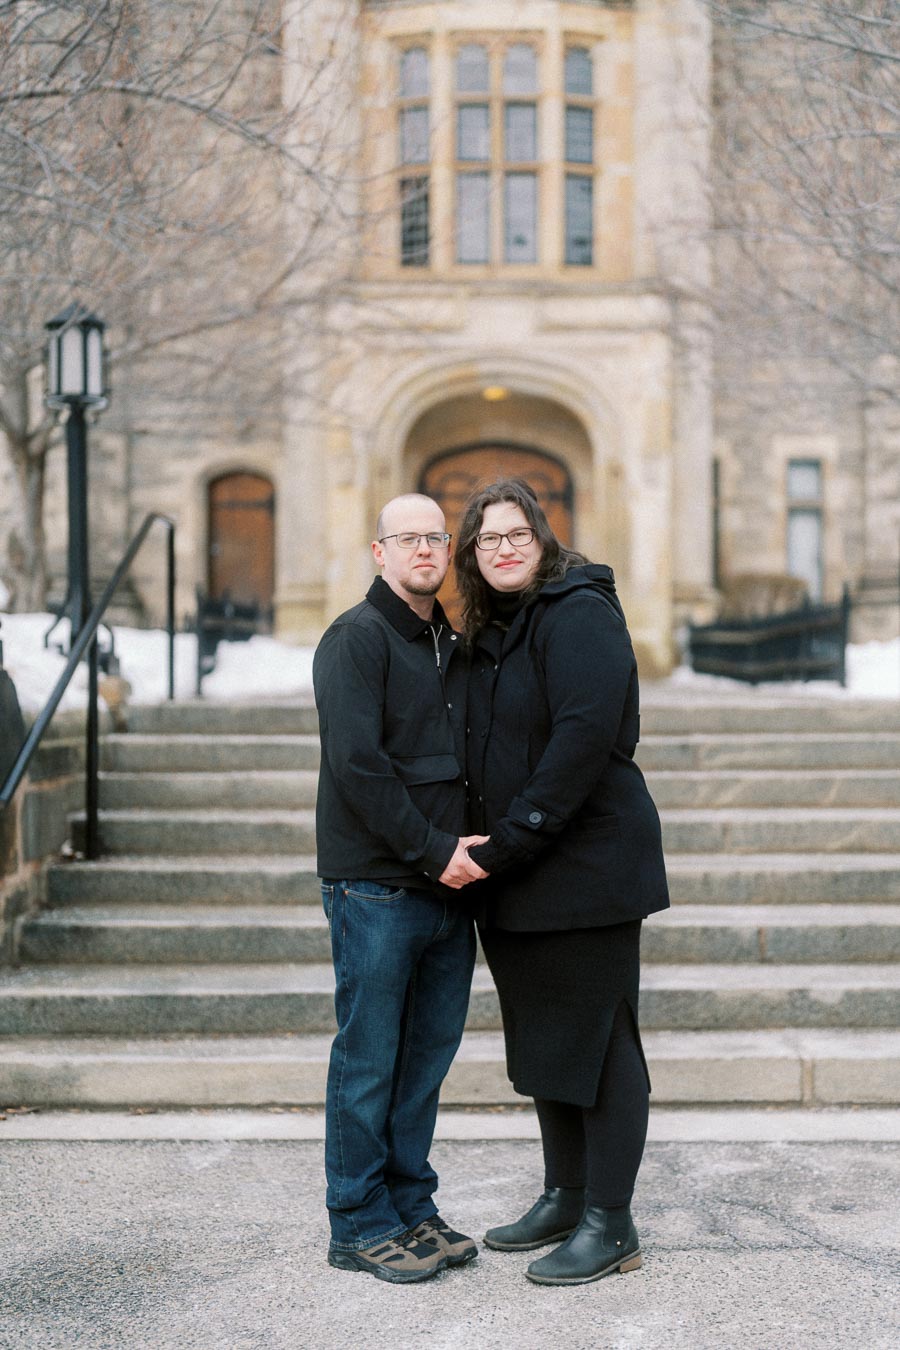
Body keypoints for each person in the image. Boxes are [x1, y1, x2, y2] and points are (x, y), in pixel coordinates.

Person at [456, 478, 670, 1287]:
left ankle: (611, 1221)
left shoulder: (578, 611)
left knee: (602, 1043)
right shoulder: (497, 628)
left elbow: (582, 742)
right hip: (517, 871)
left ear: (543, 540)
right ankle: (565, 1192)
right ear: (473, 555)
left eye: (517, 534)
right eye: (487, 538)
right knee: (547, 1038)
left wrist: (510, 841)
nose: (504, 548)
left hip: (586, 864)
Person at [313, 493, 486, 1284]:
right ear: (378, 550)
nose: (425, 550)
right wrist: (431, 851)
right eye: (408, 538)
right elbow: (359, 769)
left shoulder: (444, 638)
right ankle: (357, 1221)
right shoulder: (357, 638)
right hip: (380, 885)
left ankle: (411, 1203)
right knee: (370, 1058)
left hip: (447, 887)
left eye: (436, 538)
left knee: (424, 1060)